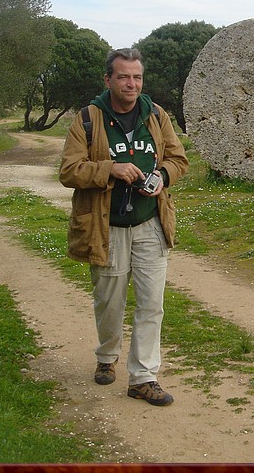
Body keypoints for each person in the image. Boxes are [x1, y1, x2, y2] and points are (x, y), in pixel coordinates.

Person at [59, 48, 189, 406]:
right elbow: (69, 171)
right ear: (108, 80)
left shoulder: (157, 115)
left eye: (137, 77)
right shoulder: (87, 118)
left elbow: (179, 159)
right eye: (123, 77)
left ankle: (143, 377)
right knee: (109, 302)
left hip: (150, 223)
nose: (131, 84)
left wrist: (162, 175)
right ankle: (106, 355)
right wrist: (109, 169)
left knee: (151, 304)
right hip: (107, 226)